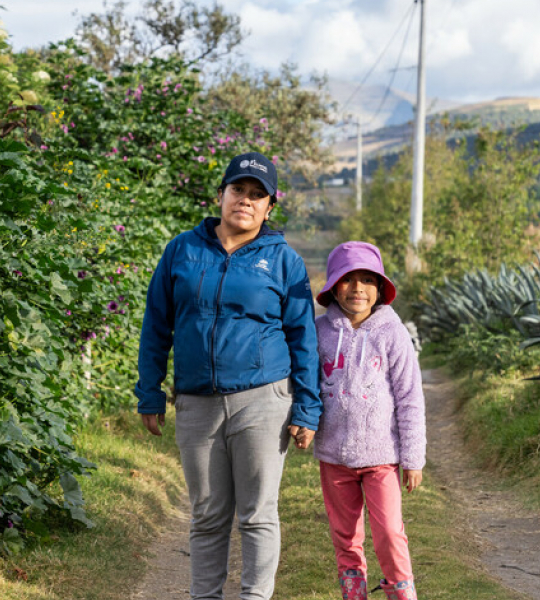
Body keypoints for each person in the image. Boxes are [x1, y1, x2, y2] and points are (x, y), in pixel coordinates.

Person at [134, 151, 322, 600]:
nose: (246, 200)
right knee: (208, 513)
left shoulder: (284, 261)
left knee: (258, 513)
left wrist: (308, 408)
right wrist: (150, 392)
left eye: (258, 195)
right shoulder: (183, 249)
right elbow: (156, 323)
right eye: (239, 190)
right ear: (221, 195)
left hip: (264, 399)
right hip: (196, 402)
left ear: (269, 207)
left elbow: (304, 337)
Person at [312, 241, 425, 600]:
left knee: (390, 531)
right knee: (345, 536)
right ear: (333, 286)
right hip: (334, 457)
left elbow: (410, 399)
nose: (358, 288)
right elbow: (306, 384)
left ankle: (401, 591)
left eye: (367, 279)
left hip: (382, 457)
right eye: (348, 279)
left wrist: (413, 458)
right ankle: (354, 593)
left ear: (379, 289)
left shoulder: (393, 334)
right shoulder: (319, 332)